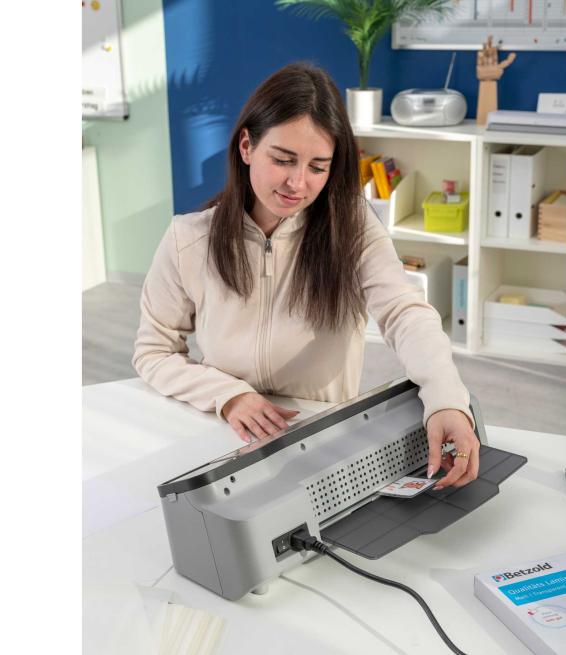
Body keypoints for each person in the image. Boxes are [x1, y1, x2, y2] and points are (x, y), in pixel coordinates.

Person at [133, 62, 479, 490]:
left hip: (320, 438)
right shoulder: (188, 238)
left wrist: (446, 399)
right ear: (246, 146)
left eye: (318, 167)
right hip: (220, 433)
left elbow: (404, 311)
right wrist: (228, 395)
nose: (297, 183)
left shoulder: (352, 227)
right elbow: (153, 352)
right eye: (283, 160)